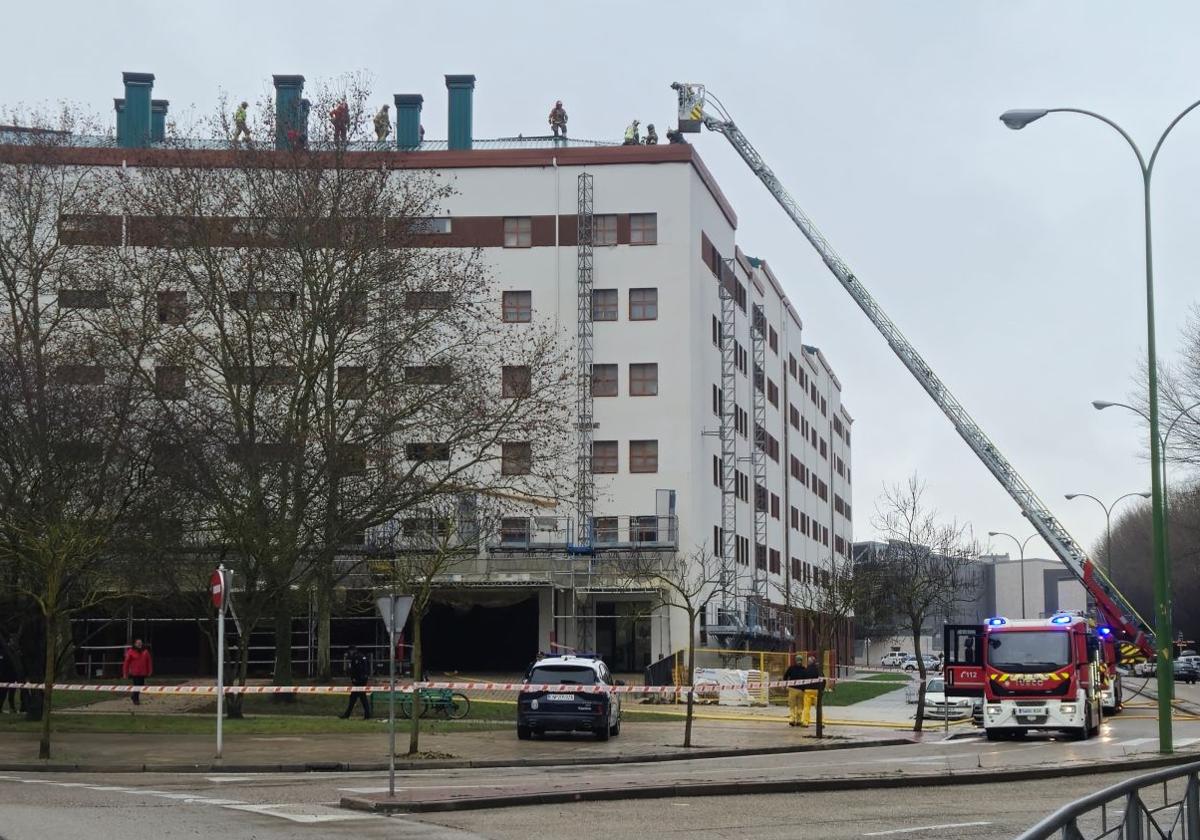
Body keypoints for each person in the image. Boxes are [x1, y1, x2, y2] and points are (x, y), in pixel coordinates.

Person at [339, 645, 372, 719]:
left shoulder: (356, 658)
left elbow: (357, 670)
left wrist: (354, 678)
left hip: (359, 681)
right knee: (356, 698)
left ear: (352, 651)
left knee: (359, 698)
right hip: (363, 680)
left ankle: (348, 715)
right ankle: (348, 714)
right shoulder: (362, 656)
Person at [122, 639, 153, 706]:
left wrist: (150, 671)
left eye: (140, 643)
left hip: (143, 672)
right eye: (138, 643)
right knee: (137, 685)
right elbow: (126, 663)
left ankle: (134, 696)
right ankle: (136, 699)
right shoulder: (130, 651)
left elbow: (149, 662)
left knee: (140, 685)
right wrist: (125, 673)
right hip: (135, 673)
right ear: (135, 644)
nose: (139, 644)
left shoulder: (145, 651)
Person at [782, 654, 807, 727]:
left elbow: (785, 676)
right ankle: (799, 720)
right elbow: (806, 679)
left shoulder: (791, 668)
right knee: (800, 705)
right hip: (801, 690)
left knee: (792, 705)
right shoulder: (804, 669)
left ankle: (792, 719)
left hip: (792, 689)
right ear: (801, 661)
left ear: (795, 661)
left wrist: (785, 684)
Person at [801, 654, 824, 728]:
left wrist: (803, 689)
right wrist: (822, 689)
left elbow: (802, 681)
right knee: (818, 707)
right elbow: (823, 680)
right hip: (816, 691)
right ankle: (821, 722)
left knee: (806, 707)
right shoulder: (818, 670)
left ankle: (805, 722)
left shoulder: (805, 670)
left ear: (809, 662)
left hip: (807, 691)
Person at [0, 644, 17, 714]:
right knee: (3, 692)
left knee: (11, 693)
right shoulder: (4, 651)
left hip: (10, 674)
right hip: (4, 675)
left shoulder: (12, 652)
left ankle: (12, 707)